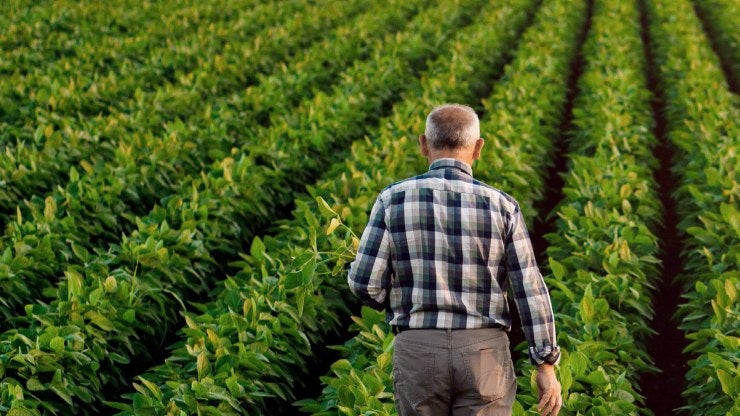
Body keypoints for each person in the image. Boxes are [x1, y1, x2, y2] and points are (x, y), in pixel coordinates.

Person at [348, 104, 562, 416]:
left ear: (424, 144)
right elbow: (529, 290)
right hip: (484, 352)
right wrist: (545, 364)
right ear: (478, 149)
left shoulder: (392, 199)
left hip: (419, 348)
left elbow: (365, 284)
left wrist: (387, 292)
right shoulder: (502, 206)